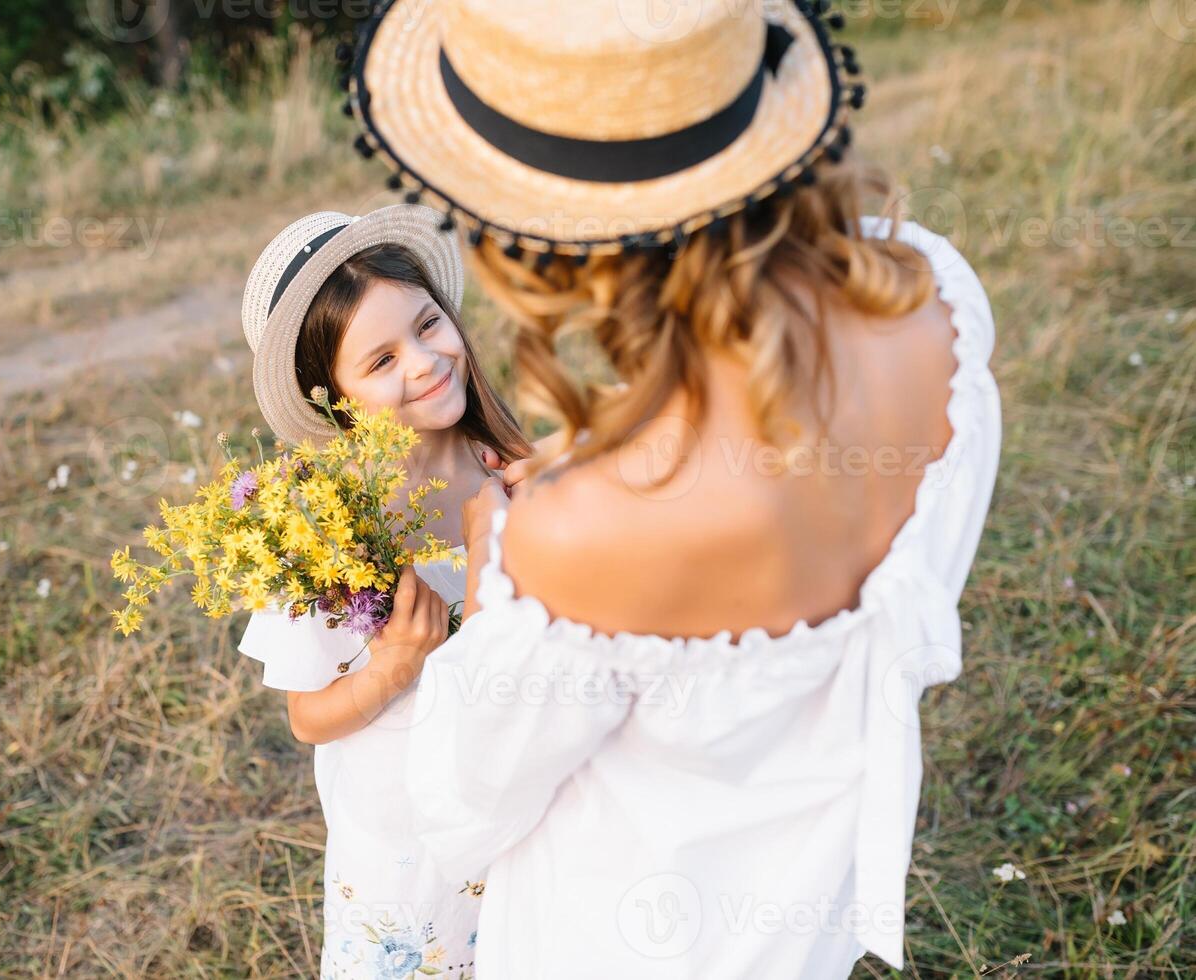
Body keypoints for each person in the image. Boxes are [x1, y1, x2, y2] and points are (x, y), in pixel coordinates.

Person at [344, 0, 1003, 976]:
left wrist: (498, 570)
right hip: (798, 925)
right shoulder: (932, 299)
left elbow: (457, 811)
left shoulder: (571, 537)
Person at [233, 204, 531, 977]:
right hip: (407, 862)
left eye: (429, 325)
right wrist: (393, 668)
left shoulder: (505, 469)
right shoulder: (328, 531)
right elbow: (308, 717)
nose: (426, 361)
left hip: (519, 818)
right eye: (380, 360)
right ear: (330, 396)